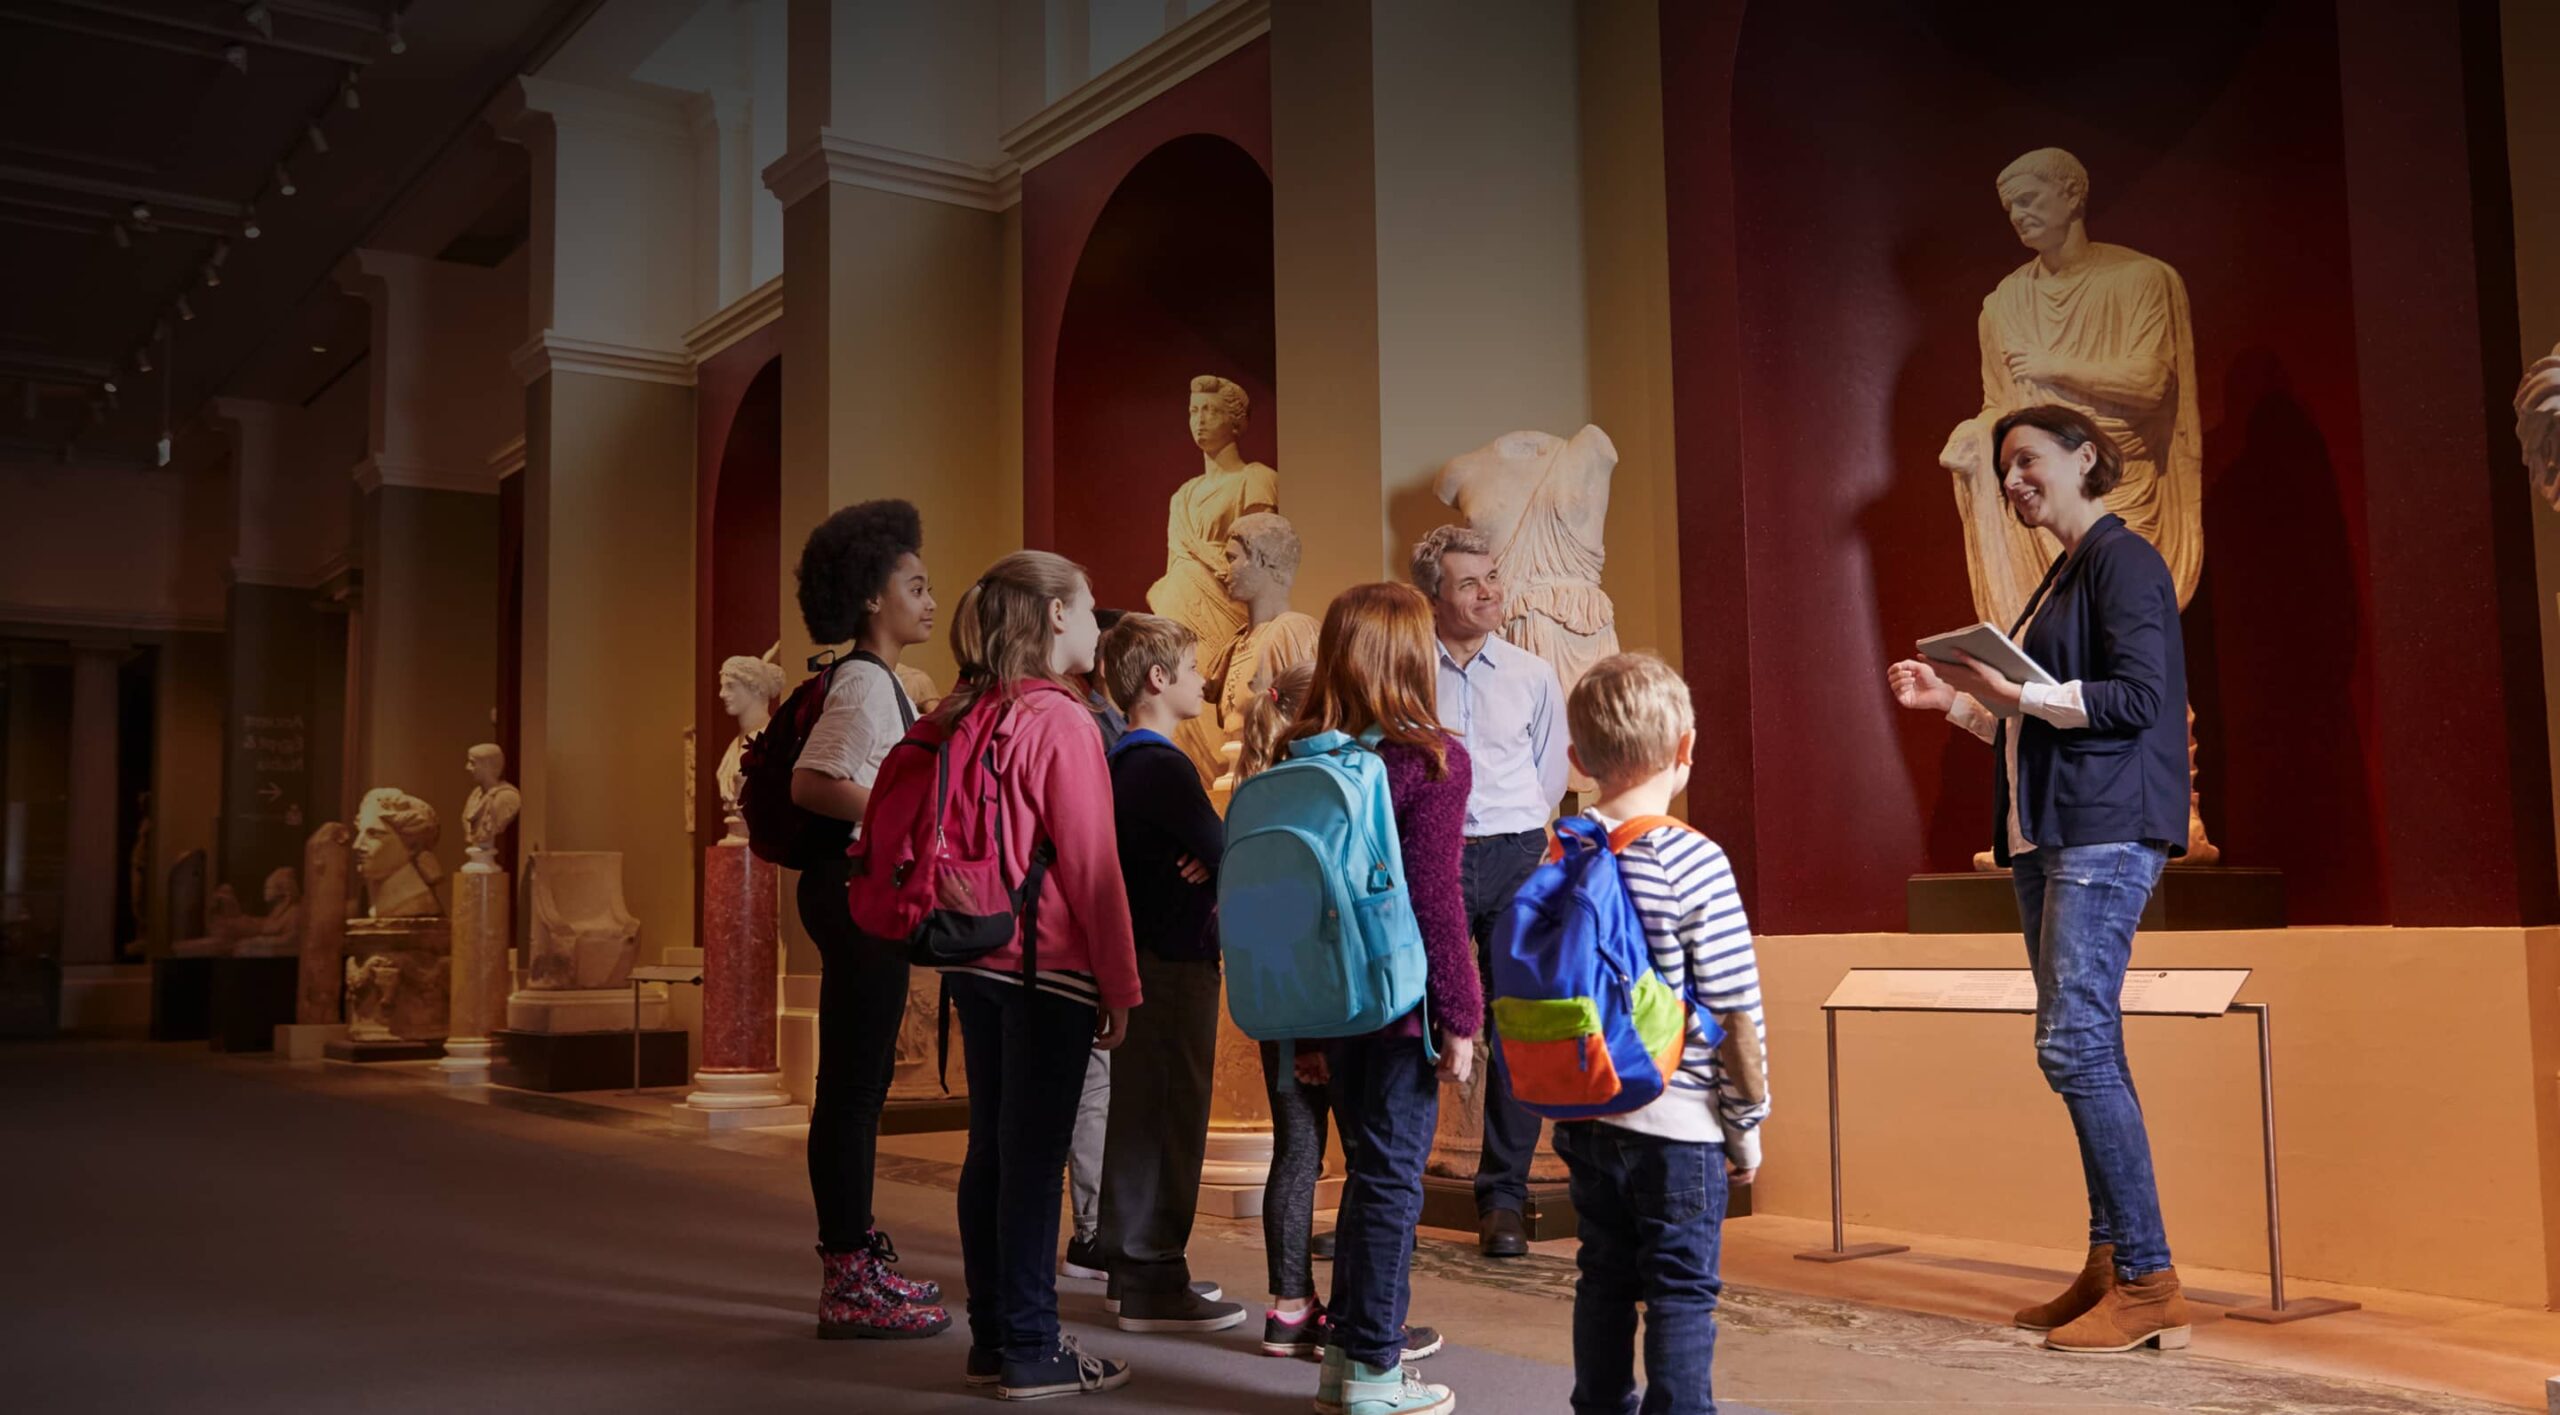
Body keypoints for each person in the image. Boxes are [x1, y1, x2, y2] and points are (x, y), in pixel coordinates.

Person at [1887, 404, 2193, 1355]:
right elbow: (2034, 720)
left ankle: (2149, 1280)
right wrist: (1959, 701)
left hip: (2103, 829)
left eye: (2027, 460)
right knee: (2086, 1045)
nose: (2013, 480)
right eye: (2004, 468)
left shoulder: (2123, 559)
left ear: (2084, 456)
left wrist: (2015, 691)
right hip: (2049, 833)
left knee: (2073, 1044)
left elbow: (2139, 698)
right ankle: (2113, 1261)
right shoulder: (2060, 574)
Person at [935, 550, 1143, 1399]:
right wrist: (1121, 985)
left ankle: (993, 1336)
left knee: (990, 1149)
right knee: (1033, 1160)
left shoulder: (968, 709)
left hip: (973, 956)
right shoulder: (1062, 720)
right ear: (1056, 614)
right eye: (1089, 606)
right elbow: (1093, 864)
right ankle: (1030, 1344)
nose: (1097, 623)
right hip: (1047, 965)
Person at [1548, 652, 1768, 1415]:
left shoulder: (1562, 849)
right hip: (1677, 1123)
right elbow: (1735, 1008)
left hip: (1586, 1111)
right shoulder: (1692, 857)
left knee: (1603, 1275)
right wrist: (1746, 1125)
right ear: (1686, 748)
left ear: (1578, 760)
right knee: (1679, 1289)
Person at [1282, 582, 1477, 1415]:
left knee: (1366, 1173)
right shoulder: (1429, 758)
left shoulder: (1302, 756)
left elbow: (1291, 905)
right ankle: (1373, 1370)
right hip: (1399, 1004)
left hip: (1324, 999)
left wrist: (1303, 1032)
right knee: (1394, 1180)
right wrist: (1462, 1014)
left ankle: (1343, 1361)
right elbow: (1435, 896)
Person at [1242, 662, 1445, 1368]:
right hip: (1347, 1005)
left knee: (1297, 1155)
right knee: (1370, 1163)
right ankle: (1361, 1324)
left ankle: (1290, 1308)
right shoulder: (1349, 783)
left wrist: (1294, 1034)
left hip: (1281, 1004)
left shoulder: (1269, 788)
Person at [787, 499, 949, 1340]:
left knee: (858, 1085)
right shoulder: (862, 682)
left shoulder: (874, 681)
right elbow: (813, 781)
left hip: (852, 891)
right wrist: (899, 816)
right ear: (870, 599)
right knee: (852, 1091)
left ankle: (855, 1257)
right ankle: (848, 1277)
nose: (930, 600)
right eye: (915, 586)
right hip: (853, 894)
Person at [1085, 613, 1247, 1333]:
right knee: (1171, 1115)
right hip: (1175, 961)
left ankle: (1131, 1268)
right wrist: (1215, 858)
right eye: (1191, 668)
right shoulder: (1163, 765)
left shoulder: (1121, 760)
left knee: (1140, 1113)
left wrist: (1210, 858)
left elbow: (1211, 853)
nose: (1203, 681)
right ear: (1157, 679)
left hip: (1140, 955)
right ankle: (1153, 1274)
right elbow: (1229, 851)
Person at [1411, 523, 1569, 1257]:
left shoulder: (1533, 674)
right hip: (1432, 853)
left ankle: (1502, 1198)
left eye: (1493, 577)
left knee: (1518, 1023)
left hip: (1515, 854)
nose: (1488, 592)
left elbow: (1549, 773)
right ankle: (1397, 1188)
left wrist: (1515, 832)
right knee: (1417, 1018)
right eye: (1469, 582)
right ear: (1434, 596)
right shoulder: (1408, 670)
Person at [1059, 606, 1128, 1283]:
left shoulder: (1106, 723)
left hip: (1076, 931)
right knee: (1091, 1086)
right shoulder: (1089, 723)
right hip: (1075, 932)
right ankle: (1092, 1230)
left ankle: (1097, 1226)